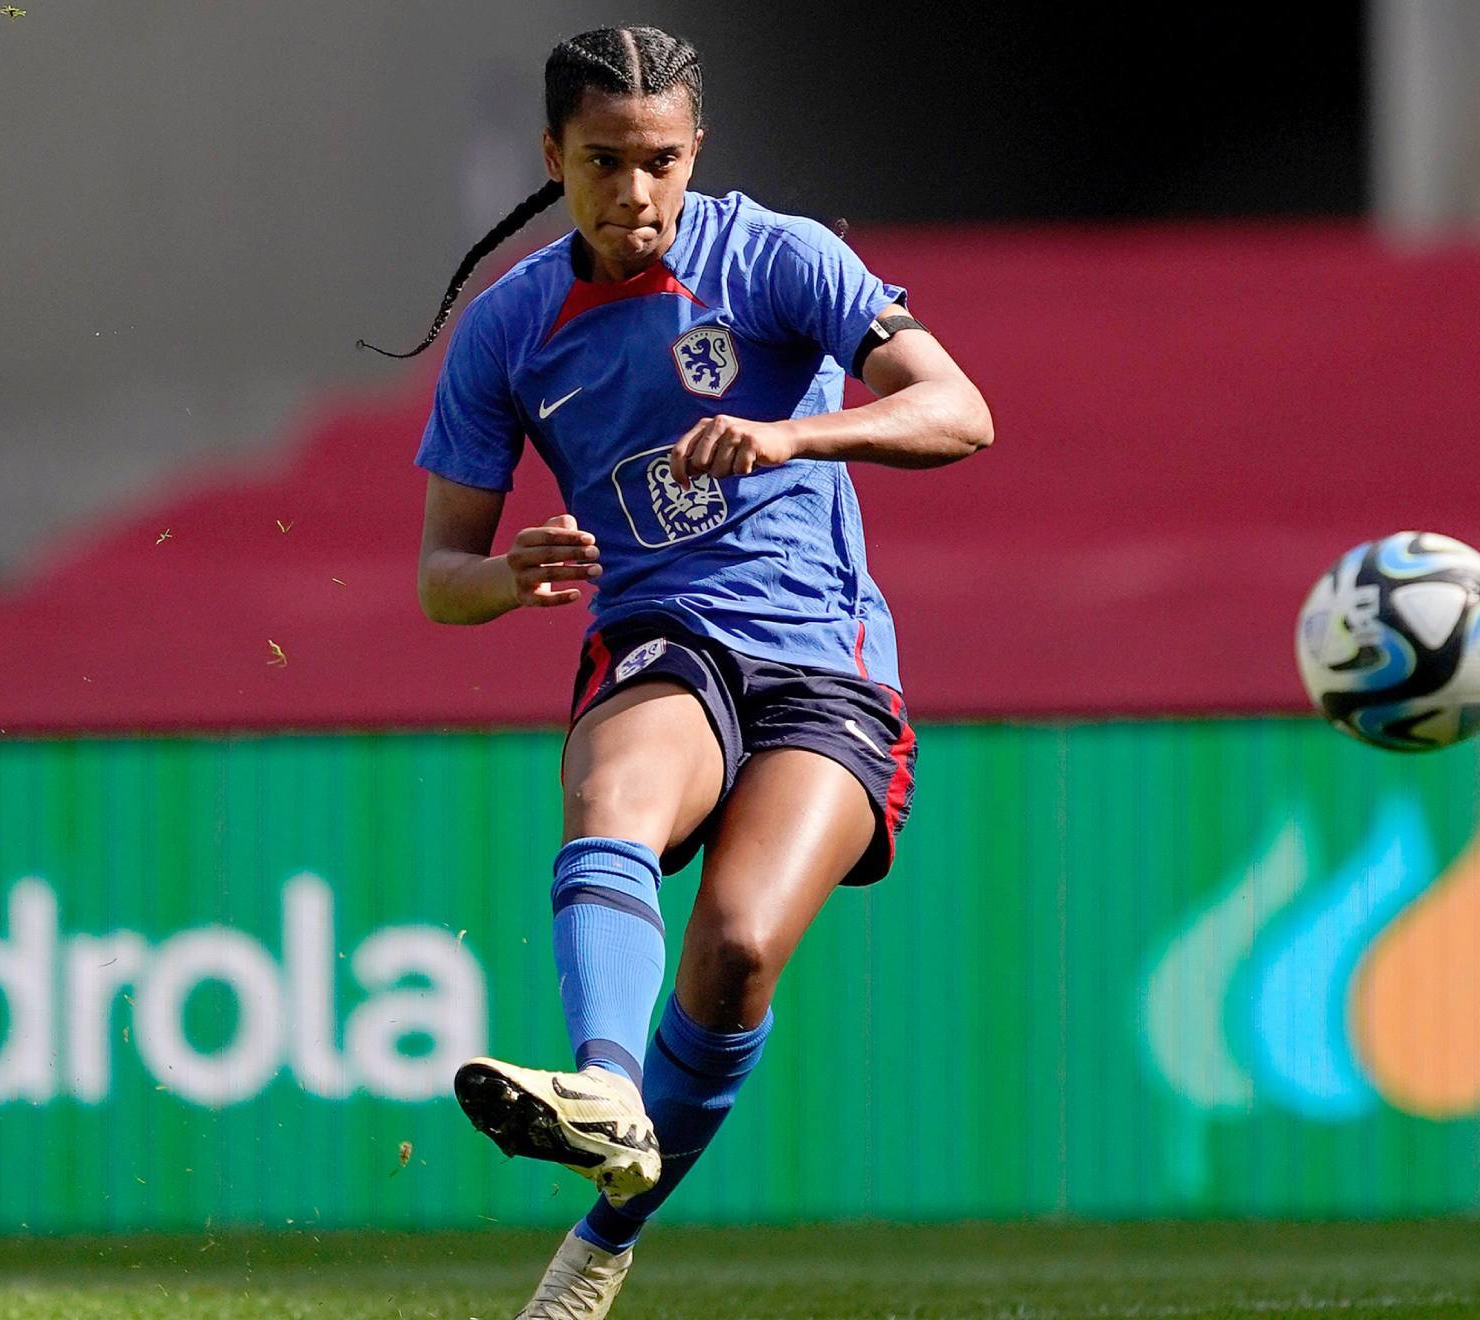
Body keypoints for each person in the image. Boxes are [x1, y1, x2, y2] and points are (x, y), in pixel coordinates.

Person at [378, 25, 993, 1319]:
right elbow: (443, 574)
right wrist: (512, 574)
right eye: (605, 161)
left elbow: (959, 408)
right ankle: (605, 1080)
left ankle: (608, 1234)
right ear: (555, 157)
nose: (637, 191)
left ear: (696, 148)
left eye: (661, 160)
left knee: (735, 951)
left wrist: (794, 435)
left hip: (828, 658)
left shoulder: (775, 255)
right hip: (664, 633)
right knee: (615, 796)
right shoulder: (510, 330)